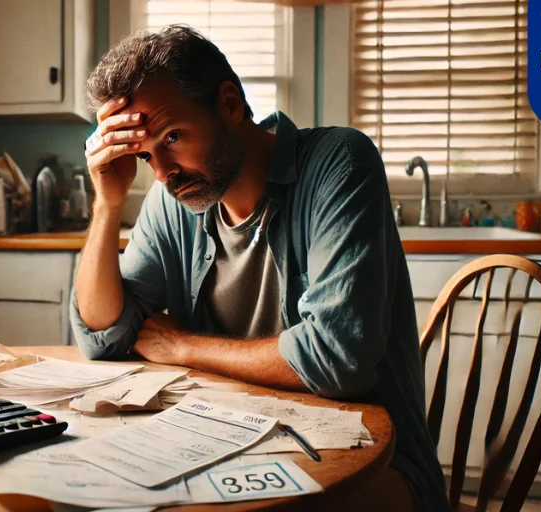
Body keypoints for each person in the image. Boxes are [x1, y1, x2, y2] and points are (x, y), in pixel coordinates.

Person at [70, 24, 450, 512]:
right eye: (146, 154)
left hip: (372, 467)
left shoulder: (339, 163)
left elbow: (337, 360)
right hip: (231, 448)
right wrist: (107, 203)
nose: (162, 172)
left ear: (229, 104)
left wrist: (184, 346)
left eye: (173, 136)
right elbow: (103, 336)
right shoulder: (177, 202)